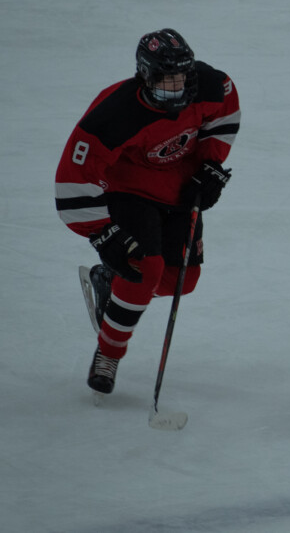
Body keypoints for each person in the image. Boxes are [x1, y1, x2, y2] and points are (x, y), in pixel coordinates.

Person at [55, 29, 240, 395]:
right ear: (144, 75)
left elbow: (226, 114)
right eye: (164, 78)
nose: (175, 86)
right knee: (144, 271)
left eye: (180, 76)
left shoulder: (210, 83)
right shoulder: (112, 113)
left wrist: (211, 166)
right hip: (128, 189)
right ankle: (109, 354)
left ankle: (110, 286)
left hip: (180, 188)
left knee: (182, 282)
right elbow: (71, 183)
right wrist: (101, 233)